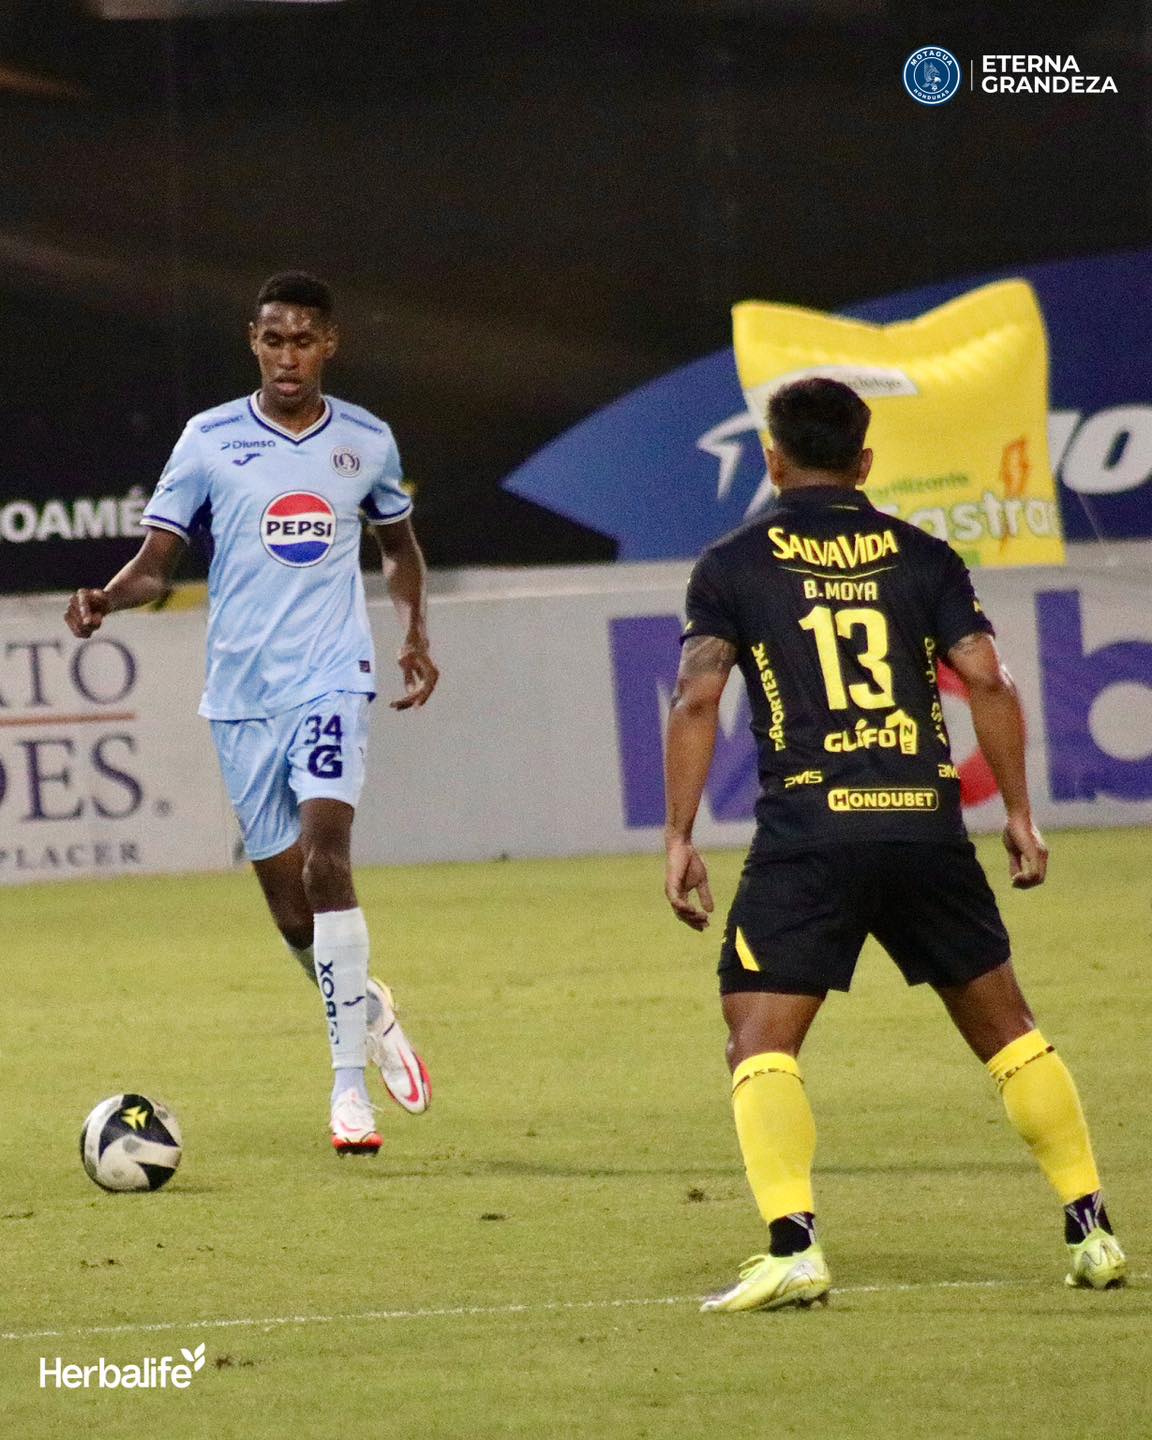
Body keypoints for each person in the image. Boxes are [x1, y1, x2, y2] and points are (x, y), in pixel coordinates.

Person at [663, 377, 1126, 1312]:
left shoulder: (733, 564)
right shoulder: (924, 558)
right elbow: (989, 684)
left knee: (757, 1037)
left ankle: (792, 1244)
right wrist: (1021, 817)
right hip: (925, 825)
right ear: (865, 463)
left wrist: (678, 836)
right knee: (1009, 1031)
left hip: (810, 834)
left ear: (772, 460)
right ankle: (1094, 1229)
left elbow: (700, 698)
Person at [66, 271, 439, 1156]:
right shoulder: (209, 439)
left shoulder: (365, 441)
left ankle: (350, 1092)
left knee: (326, 859)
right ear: (253, 342)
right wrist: (109, 599)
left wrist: (415, 632)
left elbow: (399, 545)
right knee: (289, 913)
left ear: (330, 345)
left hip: (330, 676)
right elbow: (159, 563)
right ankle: (369, 1008)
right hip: (239, 693)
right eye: (273, 340)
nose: (288, 356)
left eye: (304, 339)